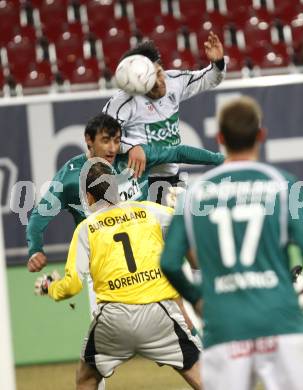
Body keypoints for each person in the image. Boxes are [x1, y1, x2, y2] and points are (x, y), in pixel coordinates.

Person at [160, 96, 303, 390]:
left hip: (224, 326)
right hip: (282, 321)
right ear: (261, 134)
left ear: (220, 138)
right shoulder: (284, 183)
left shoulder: (193, 195)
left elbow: (170, 262)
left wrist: (196, 297)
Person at [34, 162, 202, 390]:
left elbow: (72, 286)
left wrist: (51, 288)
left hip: (113, 319)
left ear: (88, 196)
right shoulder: (149, 211)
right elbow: (186, 225)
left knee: (86, 379)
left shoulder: (85, 229)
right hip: (159, 313)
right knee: (201, 376)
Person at [27, 113, 224, 273]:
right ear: (88, 140)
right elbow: (38, 217)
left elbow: (178, 152)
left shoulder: (134, 156)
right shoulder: (70, 178)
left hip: (148, 257)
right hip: (106, 269)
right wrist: (35, 251)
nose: (112, 148)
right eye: (105, 141)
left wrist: (221, 160)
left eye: (116, 140)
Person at [103, 32, 225, 202]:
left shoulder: (175, 80)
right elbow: (102, 135)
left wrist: (218, 62)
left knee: (178, 224)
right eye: (152, 81)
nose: (160, 82)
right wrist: (131, 146)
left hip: (170, 178)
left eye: (159, 73)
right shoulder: (123, 100)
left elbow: (209, 79)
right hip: (136, 182)